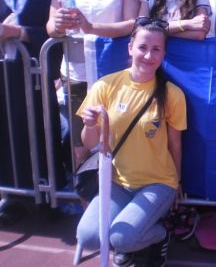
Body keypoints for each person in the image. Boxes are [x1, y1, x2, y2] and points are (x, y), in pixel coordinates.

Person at [76, 18, 186, 267]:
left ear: (164, 53)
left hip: (158, 184)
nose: (148, 55)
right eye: (142, 47)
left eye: (156, 49)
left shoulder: (172, 94)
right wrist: (89, 123)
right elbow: (89, 142)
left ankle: (158, 237)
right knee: (88, 237)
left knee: (121, 238)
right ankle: (136, 236)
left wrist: (177, 181)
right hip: (116, 182)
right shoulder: (105, 85)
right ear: (130, 48)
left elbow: (175, 145)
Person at [46, 0, 142, 169]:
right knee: (81, 152)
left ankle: (112, 209)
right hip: (76, 74)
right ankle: (88, 210)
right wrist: (59, 25)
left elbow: (132, 24)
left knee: (117, 149)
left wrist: (90, 27)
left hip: (114, 74)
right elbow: (51, 28)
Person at [0, 0, 66, 226]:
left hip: (32, 78)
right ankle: (12, 197)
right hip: (3, 80)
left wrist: (19, 33)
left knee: (41, 130)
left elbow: (52, 34)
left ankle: (49, 193)